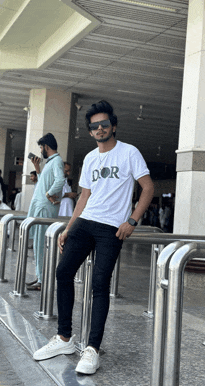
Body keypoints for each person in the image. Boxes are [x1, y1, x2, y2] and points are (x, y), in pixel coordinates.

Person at [33, 101, 154, 374]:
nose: (99, 129)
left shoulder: (129, 152)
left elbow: (147, 187)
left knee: (100, 283)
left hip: (112, 226)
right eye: (94, 126)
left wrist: (132, 221)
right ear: (90, 131)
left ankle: (92, 348)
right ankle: (65, 338)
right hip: (86, 222)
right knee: (63, 272)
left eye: (104, 125)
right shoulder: (89, 158)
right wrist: (68, 227)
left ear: (113, 127)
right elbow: (84, 197)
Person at [26, 133, 65, 291]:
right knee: (38, 242)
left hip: (45, 206)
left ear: (46, 147)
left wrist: (49, 194)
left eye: (41, 147)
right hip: (40, 205)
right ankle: (40, 276)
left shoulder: (57, 161)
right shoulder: (51, 162)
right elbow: (47, 181)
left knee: (41, 243)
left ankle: (42, 280)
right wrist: (38, 170)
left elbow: (60, 180)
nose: (41, 150)